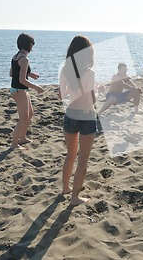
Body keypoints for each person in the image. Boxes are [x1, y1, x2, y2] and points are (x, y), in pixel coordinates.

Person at [59, 35, 98, 206]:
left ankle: (65, 188)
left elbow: (61, 95)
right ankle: (75, 198)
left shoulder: (65, 71)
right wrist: (97, 90)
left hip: (70, 115)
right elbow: (92, 101)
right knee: (82, 160)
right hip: (86, 117)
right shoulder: (90, 73)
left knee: (70, 156)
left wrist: (72, 91)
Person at [9, 33, 44, 150]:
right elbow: (22, 80)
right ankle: (14, 143)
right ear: (28, 44)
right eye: (32, 43)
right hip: (19, 90)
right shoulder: (24, 59)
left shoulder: (16, 56)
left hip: (19, 89)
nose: (33, 45)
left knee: (30, 114)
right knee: (23, 117)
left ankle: (23, 138)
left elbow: (11, 73)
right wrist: (36, 87)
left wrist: (30, 74)